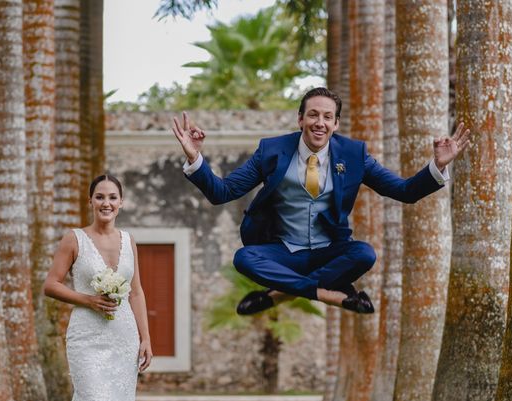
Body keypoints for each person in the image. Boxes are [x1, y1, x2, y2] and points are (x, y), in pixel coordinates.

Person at [172, 87, 470, 315]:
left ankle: (281, 293)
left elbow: (404, 191)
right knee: (244, 259)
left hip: (329, 252)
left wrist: (438, 166)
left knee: (364, 254)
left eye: (328, 117)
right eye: (313, 114)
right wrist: (194, 157)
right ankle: (329, 295)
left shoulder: (354, 155)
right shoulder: (271, 150)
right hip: (284, 251)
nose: (320, 122)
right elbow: (222, 192)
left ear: (336, 124)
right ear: (300, 118)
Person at [43, 174, 152, 401]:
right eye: (100, 197)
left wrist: (146, 338)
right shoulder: (74, 239)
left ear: (121, 203)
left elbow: (137, 292)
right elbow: (50, 284)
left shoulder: (129, 240)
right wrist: (86, 300)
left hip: (123, 339)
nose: (107, 203)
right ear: (90, 201)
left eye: (112, 197)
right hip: (86, 339)